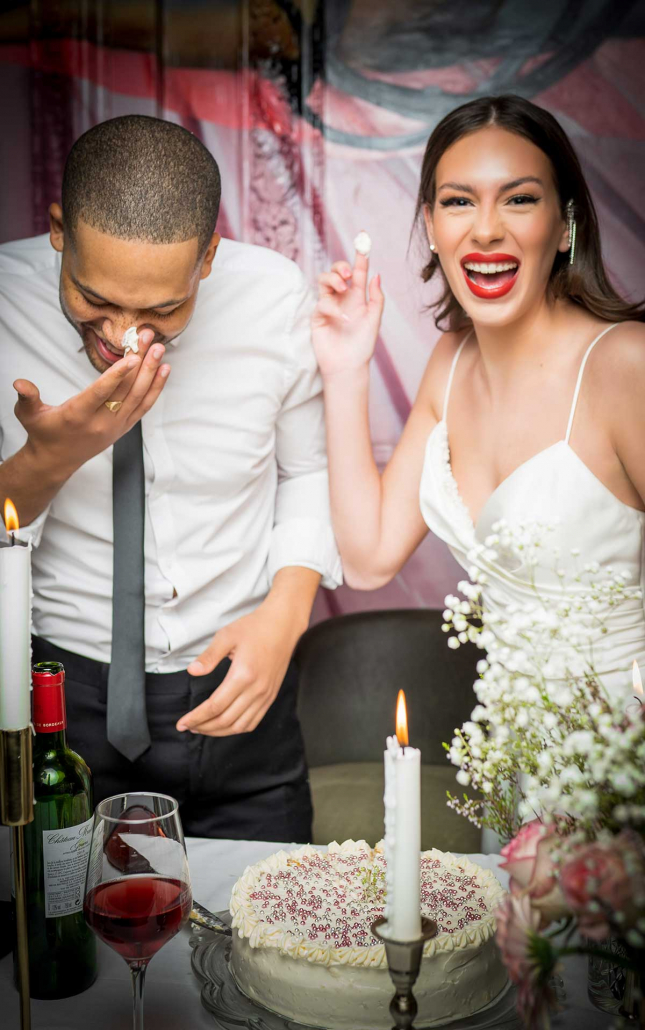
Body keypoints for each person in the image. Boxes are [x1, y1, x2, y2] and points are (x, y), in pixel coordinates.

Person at [0, 114, 341, 841]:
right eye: (95, 300)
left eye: (163, 309)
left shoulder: (274, 297)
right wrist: (52, 457)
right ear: (59, 230)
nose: (126, 334)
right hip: (59, 699)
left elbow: (308, 470)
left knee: (265, 912)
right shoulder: (2, 300)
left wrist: (285, 617)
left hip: (243, 689)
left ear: (208, 256)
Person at [312, 94, 645, 704]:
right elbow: (368, 559)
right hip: (509, 748)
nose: (486, 229)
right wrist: (345, 368)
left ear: (565, 224)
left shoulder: (626, 365)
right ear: (431, 227)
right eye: (459, 202)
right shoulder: (451, 362)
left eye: (519, 199)